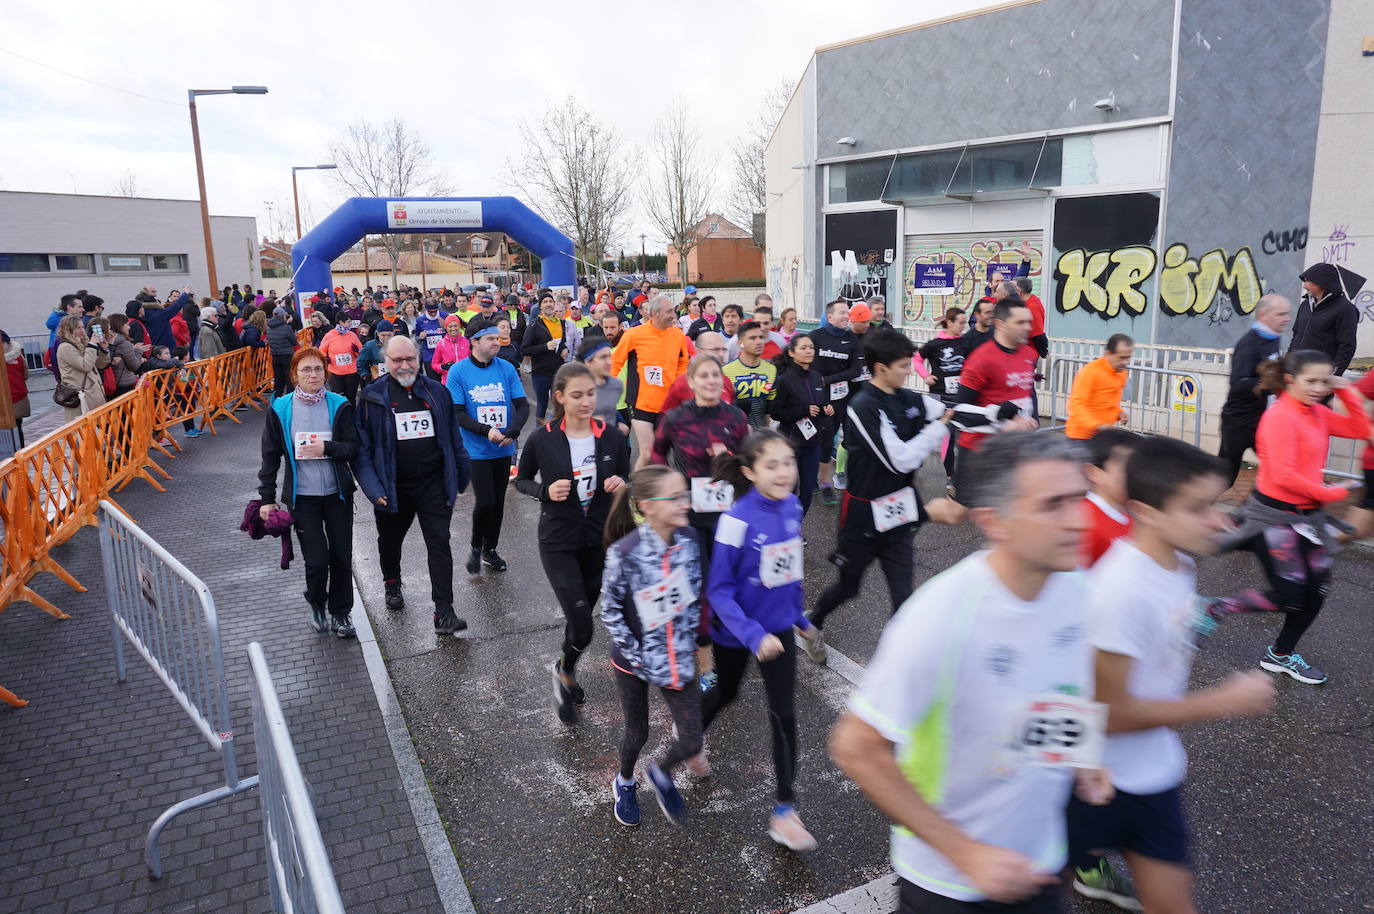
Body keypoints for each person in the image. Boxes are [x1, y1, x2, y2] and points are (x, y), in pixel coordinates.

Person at [829, 432, 1111, 913]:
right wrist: (967, 854)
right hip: (948, 884)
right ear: (994, 521)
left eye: (1079, 498)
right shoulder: (941, 615)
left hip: (1038, 864)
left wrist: (1082, 760)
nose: (1078, 519)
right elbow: (856, 747)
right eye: (1052, 505)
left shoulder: (1076, 588)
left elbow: (1062, 684)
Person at [1069, 436, 1277, 914]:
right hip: (1092, 779)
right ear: (1148, 512)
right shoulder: (1120, 590)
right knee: (1021, 895)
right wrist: (1221, 701)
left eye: (1218, 503)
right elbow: (1110, 715)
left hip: (1153, 773)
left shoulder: (1179, 562)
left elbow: (1163, 644)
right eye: (1200, 507)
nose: (1219, 520)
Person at [704, 430, 824, 851]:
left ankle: (784, 810)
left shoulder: (792, 506)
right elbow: (719, 591)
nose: (784, 472)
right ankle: (691, 737)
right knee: (727, 693)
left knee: (784, 715)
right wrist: (753, 634)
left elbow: (786, 572)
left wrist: (797, 619)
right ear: (749, 472)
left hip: (777, 633)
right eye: (771, 465)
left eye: (788, 462)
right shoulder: (735, 520)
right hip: (737, 631)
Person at [1220, 350, 1371, 685]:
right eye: (1311, 381)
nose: (1319, 388)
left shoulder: (1317, 412)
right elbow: (1285, 477)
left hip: (1308, 518)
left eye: (1324, 381)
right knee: (1289, 596)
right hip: (1274, 517)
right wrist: (1334, 493)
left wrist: (1344, 389)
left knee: (1317, 590)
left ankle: (1280, 655)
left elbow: (1361, 428)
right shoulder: (1279, 418)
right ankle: (1216, 606)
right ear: (1290, 380)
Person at [807, 331, 958, 661]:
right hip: (862, 517)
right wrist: (940, 428)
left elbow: (952, 410)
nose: (908, 371)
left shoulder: (908, 399)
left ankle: (899, 668)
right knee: (848, 588)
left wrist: (1000, 416)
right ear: (879, 368)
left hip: (899, 514)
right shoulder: (863, 406)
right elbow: (900, 458)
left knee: (904, 596)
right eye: (903, 365)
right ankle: (813, 621)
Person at [515, 362, 631, 723]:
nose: (585, 402)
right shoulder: (542, 437)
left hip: (599, 540)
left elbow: (625, 475)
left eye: (591, 394)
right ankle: (563, 674)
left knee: (581, 617)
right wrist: (545, 491)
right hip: (558, 541)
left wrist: (620, 484)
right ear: (560, 396)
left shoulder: (612, 437)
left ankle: (565, 667)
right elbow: (521, 479)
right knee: (583, 622)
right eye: (577, 395)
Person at [599, 465, 707, 827]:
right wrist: (640, 657)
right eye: (674, 497)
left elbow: (694, 597)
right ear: (647, 506)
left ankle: (660, 773)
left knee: (692, 738)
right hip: (634, 662)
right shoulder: (624, 552)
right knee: (637, 731)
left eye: (685, 494)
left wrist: (694, 644)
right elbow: (611, 612)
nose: (684, 503)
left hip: (678, 656)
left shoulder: (690, 540)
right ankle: (625, 781)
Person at [354, 336, 472, 636]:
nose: (405, 365)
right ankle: (391, 581)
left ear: (418, 359)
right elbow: (362, 450)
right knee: (390, 541)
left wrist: (461, 475)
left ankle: (444, 612)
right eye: (397, 360)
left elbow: (452, 437)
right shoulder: (371, 397)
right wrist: (372, 487)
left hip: (432, 484)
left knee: (440, 544)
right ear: (386, 362)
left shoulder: (436, 392)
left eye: (410, 359)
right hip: (392, 487)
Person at [257, 346, 361, 638]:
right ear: (294, 375)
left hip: (338, 496)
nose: (313, 375)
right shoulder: (280, 408)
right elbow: (270, 455)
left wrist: (327, 448)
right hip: (303, 499)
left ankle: (341, 614)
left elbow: (353, 447)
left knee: (341, 556)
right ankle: (316, 603)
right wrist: (267, 498)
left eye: (318, 369)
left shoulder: (339, 404)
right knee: (317, 560)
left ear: (325, 373)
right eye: (306, 370)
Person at [651, 355, 751, 593]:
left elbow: (749, 463)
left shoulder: (736, 417)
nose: (711, 380)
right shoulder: (676, 418)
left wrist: (729, 459)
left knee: (727, 575)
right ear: (691, 382)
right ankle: (701, 625)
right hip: (689, 510)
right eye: (704, 375)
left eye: (716, 375)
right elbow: (657, 452)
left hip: (728, 509)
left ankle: (725, 623)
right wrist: (670, 484)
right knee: (697, 576)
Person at [448, 325, 529, 575]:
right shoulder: (458, 371)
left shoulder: (506, 368)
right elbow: (457, 413)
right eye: (491, 339)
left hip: (503, 448)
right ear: (474, 341)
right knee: (485, 502)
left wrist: (512, 432)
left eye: (498, 338)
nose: (497, 342)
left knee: (498, 503)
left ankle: (489, 549)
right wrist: (486, 431)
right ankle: (475, 546)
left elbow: (523, 405)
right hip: (476, 449)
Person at [951, 298, 1040, 496]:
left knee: (1012, 515)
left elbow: (1019, 397)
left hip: (1011, 451)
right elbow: (958, 412)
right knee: (955, 514)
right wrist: (1002, 422)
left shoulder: (1028, 354)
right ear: (1000, 324)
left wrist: (1027, 419)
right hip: (978, 451)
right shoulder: (982, 359)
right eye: (1020, 322)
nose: (1027, 328)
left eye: (1029, 322)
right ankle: (920, 514)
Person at [1218, 294, 1291, 487]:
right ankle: (1193, 508)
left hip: (1262, 420)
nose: (1287, 318)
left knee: (1278, 468)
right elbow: (1238, 385)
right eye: (1281, 314)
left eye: (1287, 314)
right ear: (1264, 315)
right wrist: (1265, 383)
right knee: (1225, 475)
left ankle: (1259, 511)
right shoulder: (1249, 344)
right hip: (1239, 422)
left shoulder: (1273, 337)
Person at [611, 293, 692, 469]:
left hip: (668, 404)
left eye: (673, 311)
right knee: (648, 452)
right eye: (669, 311)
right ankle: (637, 493)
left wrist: (677, 386)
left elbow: (683, 363)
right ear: (654, 314)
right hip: (641, 402)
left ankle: (661, 490)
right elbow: (616, 361)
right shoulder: (634, 334)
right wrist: (605, 391)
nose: (673, 315)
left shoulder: (677, 336)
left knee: (664, 453)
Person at [768, 334, 832, 515]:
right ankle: (782, 526)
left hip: (813, 443)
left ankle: (795, 527)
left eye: (811, 347)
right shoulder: (784, 380)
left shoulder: (817, 376)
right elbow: (775, 412)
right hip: (791, 443)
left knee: (808, 489)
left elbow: (822, 402)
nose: (808, 351)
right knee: (789, 489)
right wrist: (803, 410)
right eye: (803, 348)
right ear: (792, 352)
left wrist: (827, 408)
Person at [810, 300, 863, 506]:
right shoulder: (815, 337)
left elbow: (855, 370)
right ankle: (823, 484)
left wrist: (828, 379)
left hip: (842, 398)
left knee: (836, 439)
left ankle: (825, 480)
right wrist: (818, 383)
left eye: (847, 313)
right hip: (818, 397)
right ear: (829, 316)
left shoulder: (852, 340)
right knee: (821, 440)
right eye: (841, 312)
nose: (845, 316)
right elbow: (808, 365)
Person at [916, 307, 969, 485]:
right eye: (960, 323)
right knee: (948, 435)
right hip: (940, 396)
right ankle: (949, 476)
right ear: (950, 322)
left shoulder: (965, 342)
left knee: (966, 433)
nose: (963, 326)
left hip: (961, 395)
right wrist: (925, 376)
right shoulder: (935, 344)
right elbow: (916, 359)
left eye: (965, 323)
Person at [1081, 428, 1141, 567]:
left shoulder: (1127, 515)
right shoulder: (1084, 524)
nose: (1137, 477)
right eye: (1127, 469)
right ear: (1094, 472)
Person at [1288, 262, 1359, 375]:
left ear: (1322, 283)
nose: (1304, 286)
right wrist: (1287, 364)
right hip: (1296, 373)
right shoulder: (1305, 305)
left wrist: (1334, 374)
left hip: (1320, 376)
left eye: (1308, 281)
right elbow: (1296, 335)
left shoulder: (1345, 309)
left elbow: (1347, 346)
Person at [1065, 333, 1133, 440]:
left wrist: (1119, 413)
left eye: (1128, 357)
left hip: (1103, 436)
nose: (1125, 362)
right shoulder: (1090, 371)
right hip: (1081, 437)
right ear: (1107, 354)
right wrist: (1097, 425)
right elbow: (1076, 405)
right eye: (1121, 358)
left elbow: (1108, 402)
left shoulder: (1122, 372)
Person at [660, 331, 735, 413]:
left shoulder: (726, 381)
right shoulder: (682, 383)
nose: (721, 354)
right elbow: (665, 417)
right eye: (716, 349)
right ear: (699, 352)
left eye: (723, 349)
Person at [522, 293, 569, 421]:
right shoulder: (535, 325)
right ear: (540, 306)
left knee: (560, 404)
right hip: (541, 372)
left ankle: (557, 432)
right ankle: (540, 435)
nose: (548, 304)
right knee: (542, 405)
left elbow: (562, 342)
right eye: (545, 302)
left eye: (550, 301)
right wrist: (544, 346)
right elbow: (524, 349)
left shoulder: (561, 322)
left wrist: (565, 349)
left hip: (558, 371)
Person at [722, 321, 777, 429]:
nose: (759, 342)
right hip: (735, 435)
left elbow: (769, 407)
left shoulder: (771, 369)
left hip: (760, 436)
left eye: (761, 337)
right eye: (752, 338)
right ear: (740, 343)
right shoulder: (726, 371)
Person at [54, 315, 110, 420]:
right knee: (83, 431)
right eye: (77, 328)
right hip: (80, 395)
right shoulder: (65, 347)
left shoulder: (83, 343)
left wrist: (103, 350)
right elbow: (85, 366)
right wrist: (92, 345)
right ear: (68, 329)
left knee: (98, 429)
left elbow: (100, 365)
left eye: (82, 327)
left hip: (91, 391)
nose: (81, 330)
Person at [580, 337, 626, 431]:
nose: (609, 362)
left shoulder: (616, 385)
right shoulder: (576, 387)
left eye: (610, 356)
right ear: (588, 362)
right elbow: (560, 419)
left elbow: (610, 409)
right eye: (603, 357)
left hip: (609, 440)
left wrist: (619, 422)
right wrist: (591, 421)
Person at [318, 319, 363, 401]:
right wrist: (325, 358)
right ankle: (340, 413)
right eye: (348, 322)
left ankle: (351, 413)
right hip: (336, 372)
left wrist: (356, 351)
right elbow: (321, 350)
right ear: (341, 322)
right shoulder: (329, 335)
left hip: (351, 371)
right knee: (338, 398)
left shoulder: (352, 335)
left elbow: (360, 352)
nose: (350, 324)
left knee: (351, 397)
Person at [105, 314, 145, 398]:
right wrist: (138, 351)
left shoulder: (108, 341)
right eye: (126, 324)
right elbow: (134, 366)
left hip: (111, 382)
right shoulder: (123, 343)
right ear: (120, 326)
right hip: (124, 383)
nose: (129, 327)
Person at [2, 331, 30, 447]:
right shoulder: (18, 354)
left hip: (11, 399)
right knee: (17, 428)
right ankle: (19, 453)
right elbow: (25, 374)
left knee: (10, 429)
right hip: (19, 396)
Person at [268, 306, 300, 397]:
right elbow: (294, 342)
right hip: (287, 356)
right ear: (283, 316)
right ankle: (289, 399)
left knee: (278, 380)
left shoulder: (269, 328)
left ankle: (276, 400)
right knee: (289, 379)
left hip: (275, 356)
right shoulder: (286, 328)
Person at [430, 315, 471, 385]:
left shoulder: (467, 342)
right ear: (446, 328)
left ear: (459, 326)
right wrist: (443, 367)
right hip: (448, 381)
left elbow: (473, 360)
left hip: (466, 380)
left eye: (455, 326)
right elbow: (434, 364)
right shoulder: (441, 344)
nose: (453, 329)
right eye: (450, 326)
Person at [413, 298, 448, 379]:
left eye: (435, 311)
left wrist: (445, 327)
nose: (433, 313)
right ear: (426, 309)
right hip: (429, 356)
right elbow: (416, 337)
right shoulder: (420, 319)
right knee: (433, 382)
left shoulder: (444, 316)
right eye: (430, 312)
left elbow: (453, 334)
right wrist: (420, 337)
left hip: (444, 354)